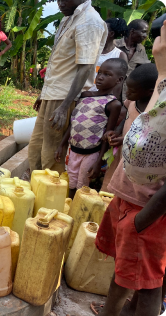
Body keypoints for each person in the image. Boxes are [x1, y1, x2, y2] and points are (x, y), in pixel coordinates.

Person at [93, 18, 166, 316]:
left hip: (146, 209)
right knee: (129, 274)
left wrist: (143, 220)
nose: (157, 42)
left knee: (148, 285)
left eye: (160, 35)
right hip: (130, 200)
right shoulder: (159, 89)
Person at [28, 0, 108, 174]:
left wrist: (64, 106)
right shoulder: (69, 17)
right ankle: (34, 188)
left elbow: (85, 67)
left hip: (63, 98)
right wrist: (44, 92)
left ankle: (49, 197)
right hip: (52, 93)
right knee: (36, 148)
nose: (60, 3)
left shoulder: (89, 21)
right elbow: (60, 63)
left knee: (51, 154)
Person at [55, 58, 126, 199]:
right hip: (73, 150)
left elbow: (107, 134)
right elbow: (73, 123)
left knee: (82, 187)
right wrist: (62, 145)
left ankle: (76, 212)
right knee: (70, 183)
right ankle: (67, 206)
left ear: (119, 80)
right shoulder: (84, 96)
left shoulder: (113, 104)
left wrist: (99, 161)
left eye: (107, 74)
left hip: (91, 153)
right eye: (99, 73)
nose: (100, 77)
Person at [100, 63, 158, 193]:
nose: (127, 93)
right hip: (121, 152)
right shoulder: (132, 101)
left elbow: (149, 137)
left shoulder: (156, 111)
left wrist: (124, 140)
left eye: (132, 91)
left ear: (150, 92)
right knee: (111, 181)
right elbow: (127, 116)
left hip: (136, 158)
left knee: (126, 188)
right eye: (127, 88)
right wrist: (116, 132)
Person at [89, 17, 128, 100]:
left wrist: (111, 101)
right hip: (83, 95)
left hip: (102, 99)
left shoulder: (119, 55)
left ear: (111, 34)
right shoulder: (90, 49)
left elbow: (119, 84)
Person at [114, 19, 151, 100]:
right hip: (111, 90)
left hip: (128, 93)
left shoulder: (141, 49)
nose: (145, 36)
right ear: (132, 31)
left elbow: (143, 70)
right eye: (143, 32)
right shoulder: (114, 44)